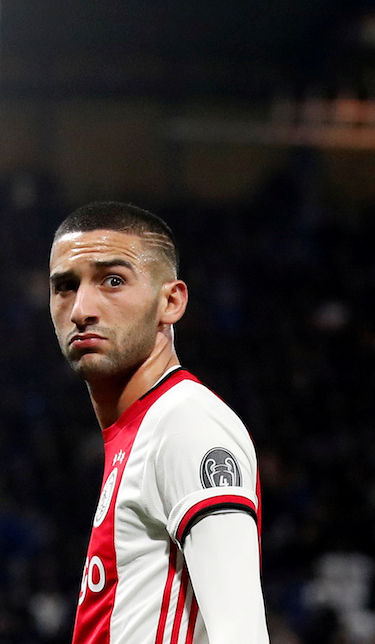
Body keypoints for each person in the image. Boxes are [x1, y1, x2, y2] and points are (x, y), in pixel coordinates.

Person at [48, 201, 268, 644]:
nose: (80, 310)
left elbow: (241, 632)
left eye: (112, 281)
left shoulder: (185, 423)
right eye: (66, 287)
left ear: (171, 301)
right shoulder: (139, 429)